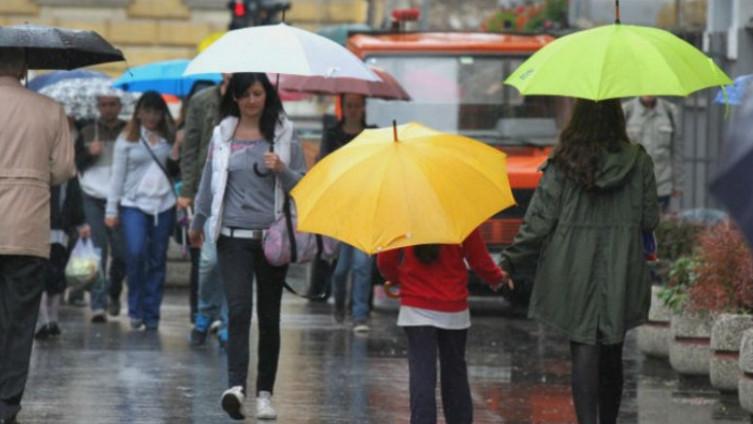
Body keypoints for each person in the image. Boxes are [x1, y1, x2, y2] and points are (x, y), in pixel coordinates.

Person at [499, 99, 660, 424]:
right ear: (618, 119)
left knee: (583, 344)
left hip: (572, 263)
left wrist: (511, 260)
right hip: (622, 263)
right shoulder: (639, 161)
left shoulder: (563, 163)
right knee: (612, 345)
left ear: (578, 120)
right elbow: (649, 218)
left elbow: (540, 221)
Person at [189, 72, 306, 421]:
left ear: (267, 95)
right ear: (235, 99)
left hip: (272, 239)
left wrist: (282, 169)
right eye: (246, 95)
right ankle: (236, 387)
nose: (253, 101)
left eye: (258, 93)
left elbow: (302, 184)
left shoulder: (285, 132)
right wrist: (198, 222)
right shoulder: (222, 133)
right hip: (232, 238)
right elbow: (209, 180)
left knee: (269, 318)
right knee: (238, 311)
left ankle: (265, 393)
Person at [0, 48, 76, 424]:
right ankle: (7, 402)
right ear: (24, 69)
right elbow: (63, 169)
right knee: (19, 318)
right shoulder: (49, 109)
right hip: (27, 226)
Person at [377, 230, 509, 424]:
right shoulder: (459, 215)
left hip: (416, 308)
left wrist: (398, 278)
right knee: (455, 373)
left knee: (422, 374)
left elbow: (385, 262)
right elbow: (478, 258)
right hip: (453, 307)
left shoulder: (403, 215)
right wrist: (498, 278)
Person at [105, 91, 178, 331]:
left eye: (156, 111)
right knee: (135, 254)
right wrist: (111, 209)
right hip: (133, 204)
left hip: (164, 204)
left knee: (157, 260)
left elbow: (177, 169)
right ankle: (135, 309)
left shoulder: (170, 135)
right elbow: (117, 176)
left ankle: (152, 313)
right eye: (147, 111)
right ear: (138, 112)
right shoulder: (127, 138)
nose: (152, 116)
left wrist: (176, 151)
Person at [179, 75, 231, 346]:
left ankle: (226, 319)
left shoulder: (251, 99)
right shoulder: (202, 101)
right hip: (208, 186)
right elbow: (191, 147)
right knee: (209, 261)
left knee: (233, 263)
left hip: (239, 193)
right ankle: (205, 311)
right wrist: (187, 190)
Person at [319, 94, 375, 331]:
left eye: (357, 105)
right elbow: (324, 165)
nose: (353, 110)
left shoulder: (372, 135)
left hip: (366, 205)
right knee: (341, 269)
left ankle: (360, 313)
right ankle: (340, 303)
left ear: (363, 107)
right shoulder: (332, 134)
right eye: (349, 105)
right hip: (341, 206)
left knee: (362, 265)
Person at [75, 94, 127, 320]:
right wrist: (88, 153)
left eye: (112, 104)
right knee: (97, 251)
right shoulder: (87, 131)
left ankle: (114, 292)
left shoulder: (129, 130)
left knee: (122, 253)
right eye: (104, 105)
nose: (108, 109)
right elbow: (75, 162)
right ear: (98, 107)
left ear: (119, 106)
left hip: (121, 197)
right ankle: (97, 304)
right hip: (92, 195)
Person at [622, 96, 682, 212]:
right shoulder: (627, 110)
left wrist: (678, 184)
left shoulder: (670, 110)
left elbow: (677, 150)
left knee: (658, 226)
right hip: (632, 185)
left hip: (661, 185)